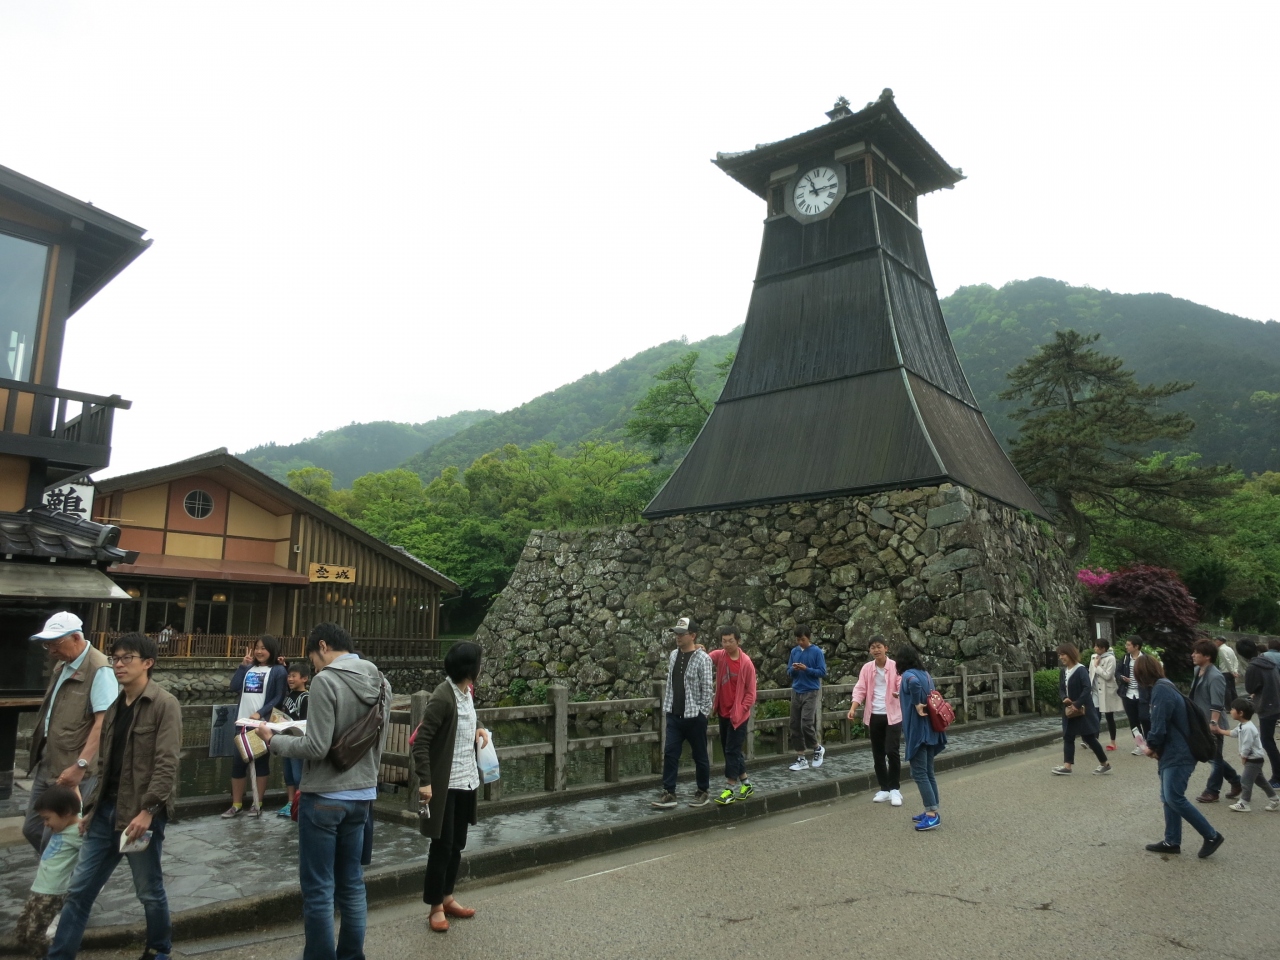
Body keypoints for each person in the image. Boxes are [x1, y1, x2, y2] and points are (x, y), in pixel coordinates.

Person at [46, 632, 182, 960]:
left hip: (140, 817)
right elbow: (105, 764)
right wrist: (91, 809)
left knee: (148, 891)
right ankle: (59, 955)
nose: (118, 665)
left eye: (127, 658)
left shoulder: (164, 704)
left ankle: (159, 949)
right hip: (106, 812)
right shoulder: (113, 707)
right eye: (115, 658)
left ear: (148, 663)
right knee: (79, 891)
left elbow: (167, 764)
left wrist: (148, 810)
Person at [261, 623, 391, 960]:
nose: (313, 667)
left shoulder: (327, 681)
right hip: (362, 797)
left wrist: (273, 740)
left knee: (319, 889)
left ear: (322, 646)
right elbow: (376, 743)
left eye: (312, 660)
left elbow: (317, 747)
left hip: (324, 798)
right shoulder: (380, 681)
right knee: (351, 884)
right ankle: (351, 956)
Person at [410, 641, 490, 933]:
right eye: (479, 663)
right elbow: (421, 742)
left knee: (457, 845)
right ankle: (434, 907)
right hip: (445, 785)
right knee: (441, 847)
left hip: (467, 780)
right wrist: (426, 781)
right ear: (470, 668)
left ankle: (447, 897)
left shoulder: (466, 692)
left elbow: (465, 719)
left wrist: (479, 725)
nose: (481, 668)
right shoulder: (442, 696)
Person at [24, 611, 117, 854]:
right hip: (50, 759)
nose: (50, 649)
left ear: (76, 638)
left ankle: (61, 885)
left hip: (75, 766)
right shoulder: (63, 664)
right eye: (47, 644)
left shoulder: (99, 669)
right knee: (33, 828)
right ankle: (63, 877)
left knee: (57, 834)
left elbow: (103, 722)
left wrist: (81, 764)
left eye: (56, 643)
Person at [1137, 654, 1225, 858]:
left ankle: (1211, 835)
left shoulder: (1160, 689)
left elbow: (1159, 724)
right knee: (1168, 797)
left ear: (1142, 674)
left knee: (1174, 797)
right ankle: (1172, 840)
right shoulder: (1166, 685)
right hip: (1175, 750)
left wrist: (1151, 746)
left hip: (1179, 752)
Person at [651, 617, 714, 809]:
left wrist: (703, 713)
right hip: (674, 714)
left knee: (700, 755)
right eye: (676, 633)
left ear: (693, 635)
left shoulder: (703, 658)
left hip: (695, 716)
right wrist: (668, 710)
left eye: (682, 633)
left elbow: (707, 688)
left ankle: (703, 791)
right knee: (670, 753)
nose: (678, 637)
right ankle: (669, 792)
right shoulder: (673, 655)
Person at [223, 635, 288, 818]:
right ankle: (236, 804)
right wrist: (243, 666)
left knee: (260, 763)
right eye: (257, 647)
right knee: (238, 763)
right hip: (242, 723)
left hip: (262, 724)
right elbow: (234, 686)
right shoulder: (250, 668)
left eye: (263, 648)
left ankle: (257, 802)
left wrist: (261, 712)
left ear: (272, 650)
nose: (259, 651)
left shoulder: (278, 671)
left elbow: (278, 697)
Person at [15, 784, 83, 957]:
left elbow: (94, 850)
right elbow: (78, 802)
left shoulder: (78, 832)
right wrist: (73, 784)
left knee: (35, 935)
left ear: (67, 812)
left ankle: (54, 955)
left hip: (52, 893)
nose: (45, 824)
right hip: (38, 890)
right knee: (22, 932)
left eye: (47, 818)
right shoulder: (66, 823)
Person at [848, 634, 903, 805]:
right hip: (874, 715)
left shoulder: (896, 666)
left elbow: (902, 684)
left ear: (886, 648)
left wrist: (899, 693)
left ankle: (895, 789)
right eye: (873, 647)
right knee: (877, 753)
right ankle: (884, 788)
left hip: (893, 714)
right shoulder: (866, 668)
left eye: (879, 646)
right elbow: (860, 688)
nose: (876, 650)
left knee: (891, 750)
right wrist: (853, 707)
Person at [895, 645, 945, 831]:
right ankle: (932, 809)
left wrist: (916, 704)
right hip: (932, 730)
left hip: (918, 732)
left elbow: (914, 685)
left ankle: (932, 815)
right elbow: (920, 688)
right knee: (928, 772)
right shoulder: (926, 674)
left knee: (919, 773)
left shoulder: (908, 675)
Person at [1189, 639, 1242, 804]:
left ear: (1207, 656)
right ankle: (1235, 780)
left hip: (1213, 723)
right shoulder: (1197, 670)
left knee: (1215, 758)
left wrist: (1214, 723)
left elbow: (1217, 703)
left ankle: (1213, 791)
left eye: (1196, 652)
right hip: (1200, 721)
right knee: (1212, 757)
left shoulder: (1216, 676)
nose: (1193, 655)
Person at [709, 625, 757, 805]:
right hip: (723, 712)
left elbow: (751, 693)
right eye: (724, 641)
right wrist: (697, 648)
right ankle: (746, 784)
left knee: (731, 750)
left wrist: (742, 709)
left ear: (738, 641)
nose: (727, 644)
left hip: (738, 716)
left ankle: (729, 789)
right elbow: (705, 659)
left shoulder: (746, 663)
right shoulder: (720, 656)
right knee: (731, 750)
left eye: (730, 641)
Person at [1212, 699, 1280, 813]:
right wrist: (1220, 731)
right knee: (1260, 781)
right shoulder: (1243, 725)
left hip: (1253, 759)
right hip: (1254, 759)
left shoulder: (1248, 728)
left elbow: (1247, 745)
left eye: (1233, 709)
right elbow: (1234, 733)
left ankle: (1244, 803)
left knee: (1245, 780)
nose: (1231, 711)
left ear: (1241, 713)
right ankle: (1274, 799)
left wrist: (1244, 756)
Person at [1052, 643, 1111, 776]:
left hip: (1083, 710)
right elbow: (1061, 688)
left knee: (1089, 738)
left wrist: (1077, 703)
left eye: (1063, 654)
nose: (1061, 657)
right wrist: (1064, 698)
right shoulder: (1063, 671)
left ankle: (1105, 764)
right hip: (1069, 710)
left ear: (1071, 654)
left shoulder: (1081, 670)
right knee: (1068, 736)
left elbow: (1087, 688)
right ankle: (1067, 766)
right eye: (1059, 655)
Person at [1237, 638, 1280, 787]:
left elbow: (1250, 688)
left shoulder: (1253, 667)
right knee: (1268, 740)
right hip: (1276, 701)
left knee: (1267, 741)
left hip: (1267, 705)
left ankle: (1278, 776)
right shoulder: (1267, 660)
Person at [787, 623, 827, 772]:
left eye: (802, 639)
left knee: (806, 722)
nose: (800, 642)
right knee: (794, 724)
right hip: (796, 690)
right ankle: (801, 757)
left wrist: (806, 669)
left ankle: (817, 748)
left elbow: (822, 672)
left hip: (811, 690)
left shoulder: (816, 652)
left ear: (808, 638)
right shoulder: (794, 652)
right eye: (798, 640)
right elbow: (788, 670)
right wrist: (794, 669)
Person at [279, 661, 311, 819]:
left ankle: (300, 802)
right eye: (289, 676)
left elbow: (305, 721)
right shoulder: (288, 695)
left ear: (304, 678)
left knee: (298, 774)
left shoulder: (305, 698)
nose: (290, 679)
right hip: (285, 738)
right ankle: (290, 801)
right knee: (288, 774)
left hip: (297, 741)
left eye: (294, 676)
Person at [1116, 636, 1148, 754]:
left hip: (1142, 694)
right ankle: (1140, 745)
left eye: (1128, 645)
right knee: (1133, 721)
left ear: (1136, 646)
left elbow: (1152, 674)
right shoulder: (1125, 658)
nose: (1126, 646)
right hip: (1128, 693)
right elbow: (1117, 672)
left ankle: (1150, 742)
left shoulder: (1145, 659)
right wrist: (1121, 677)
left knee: (1144, 718)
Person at [1088, 638, 1122, 752]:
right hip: (1095, 691)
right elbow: (1090, 673)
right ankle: (1095, 740)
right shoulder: (1093, 657)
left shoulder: (1111, 658)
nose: (1095, 648)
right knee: (1095, 716)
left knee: (1109, 717)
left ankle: (1113, 741)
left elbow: (1108, 676)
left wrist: (1097, 667)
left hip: (1107, 691)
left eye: (1097, 647)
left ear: (1103, 648)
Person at [1214, 636, 1240, 707]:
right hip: (1231, 671)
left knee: (1226, 690)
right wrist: (1235, 671)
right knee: (1232, 689)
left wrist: (1232, 671)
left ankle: (1228, 706)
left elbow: (1227, 661)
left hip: (1225, 671)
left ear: (1221, 642)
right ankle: (1236, 705)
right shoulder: (1229, 649)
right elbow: (1235, 660)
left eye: (1216, 641)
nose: (1215, 642)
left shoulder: (1221, 649)